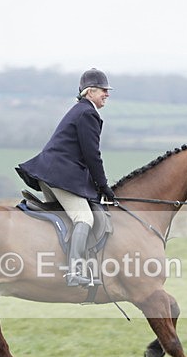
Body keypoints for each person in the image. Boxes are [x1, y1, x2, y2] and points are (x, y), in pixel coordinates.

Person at [16, 68, 116, 287]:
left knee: (70, 218)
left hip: (52, 173)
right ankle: (74, 271)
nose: (107, 94)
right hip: (60, 176)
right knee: (84, 218)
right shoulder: (87, 113)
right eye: (103, 90)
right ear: (89, 92)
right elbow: (92, 156)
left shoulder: (81, 110)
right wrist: (103, 185)